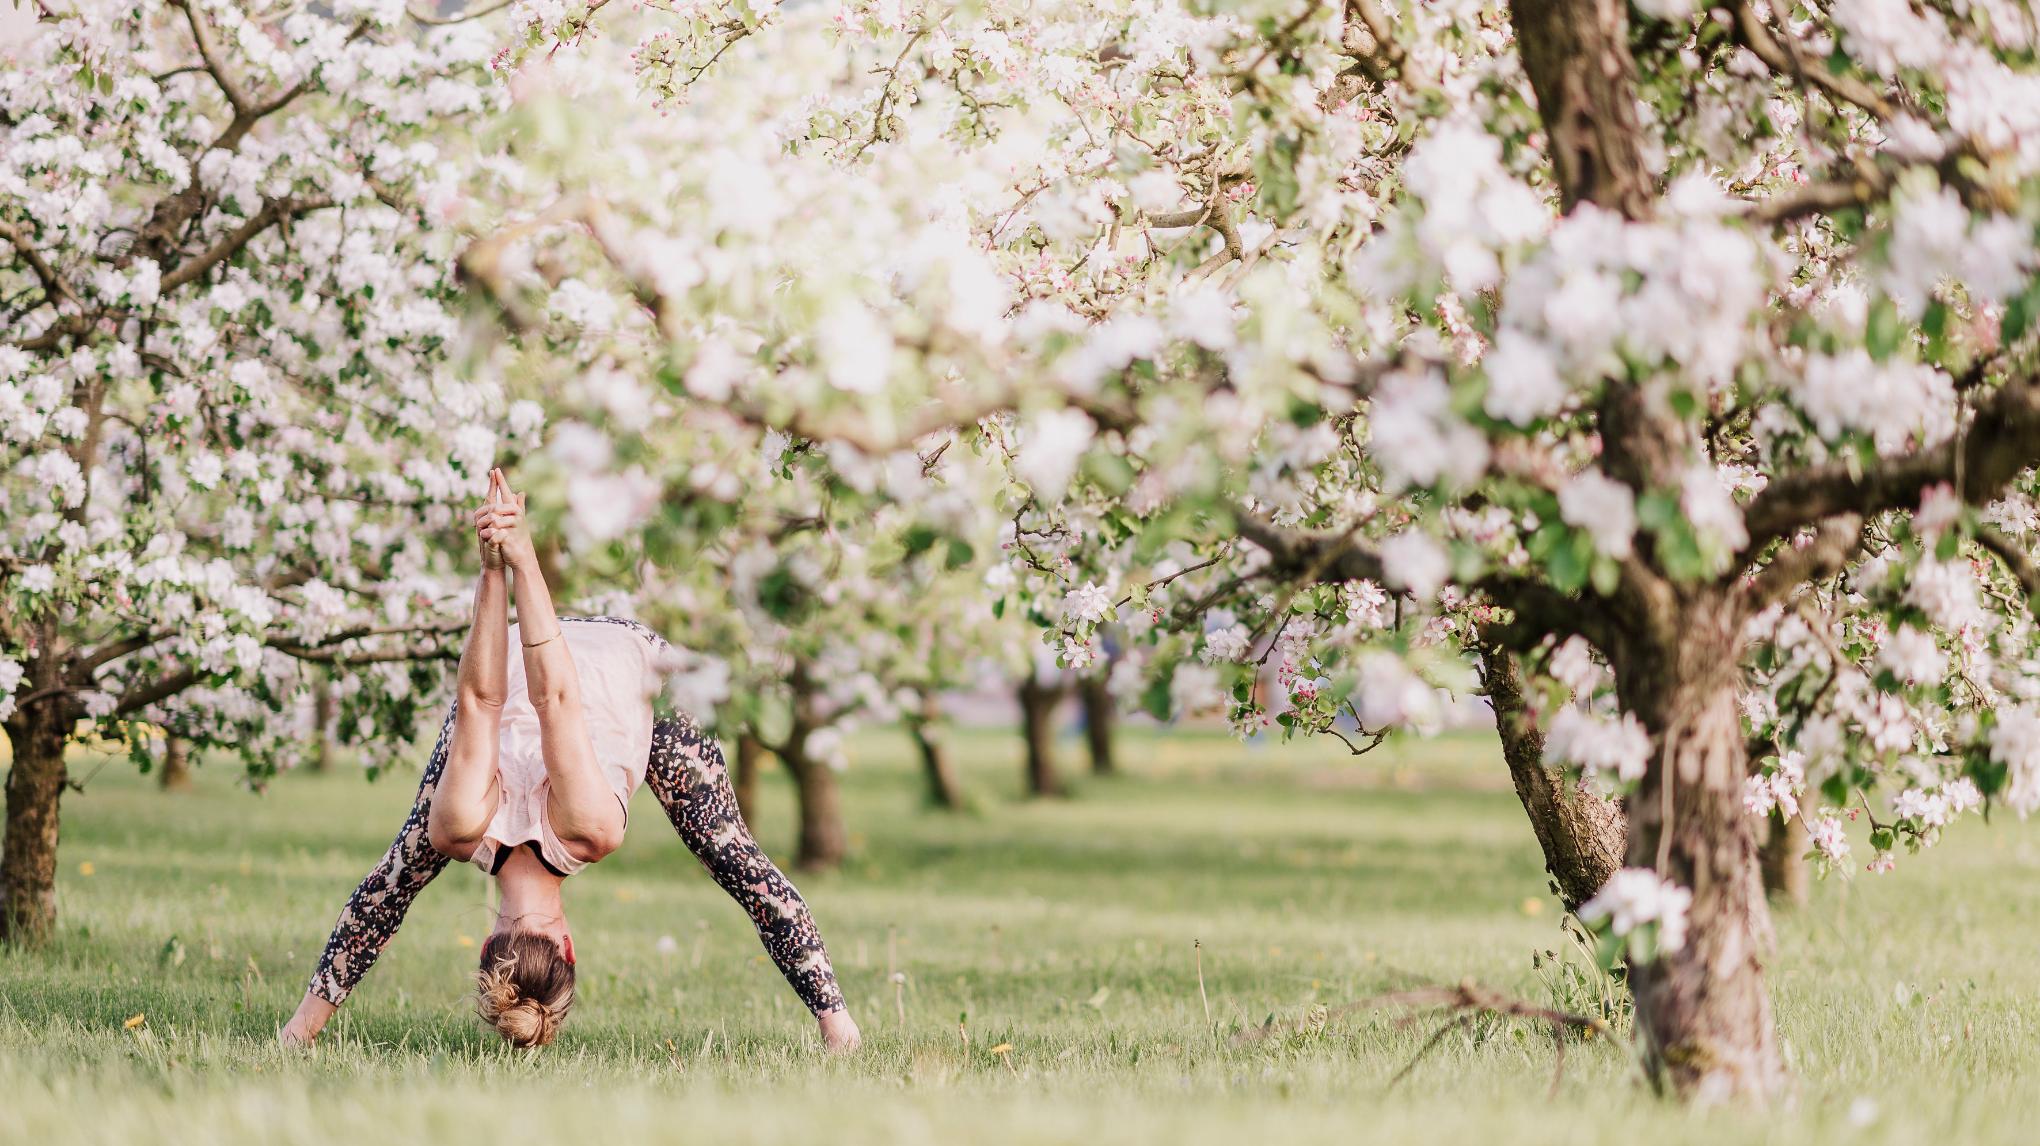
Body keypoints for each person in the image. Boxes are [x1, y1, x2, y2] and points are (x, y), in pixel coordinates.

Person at [279, 470, 862, 1051]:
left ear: (569, 949)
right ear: (488, 946)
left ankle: (840, 1030)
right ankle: (836, 1026)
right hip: (579, 667)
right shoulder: (459, 829)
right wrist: (499, 562)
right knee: (727, 853)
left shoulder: (587, 831)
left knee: (730, 853)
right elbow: (483, 701)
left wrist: (513, 559)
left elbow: (542, 700)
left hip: (592, 670)